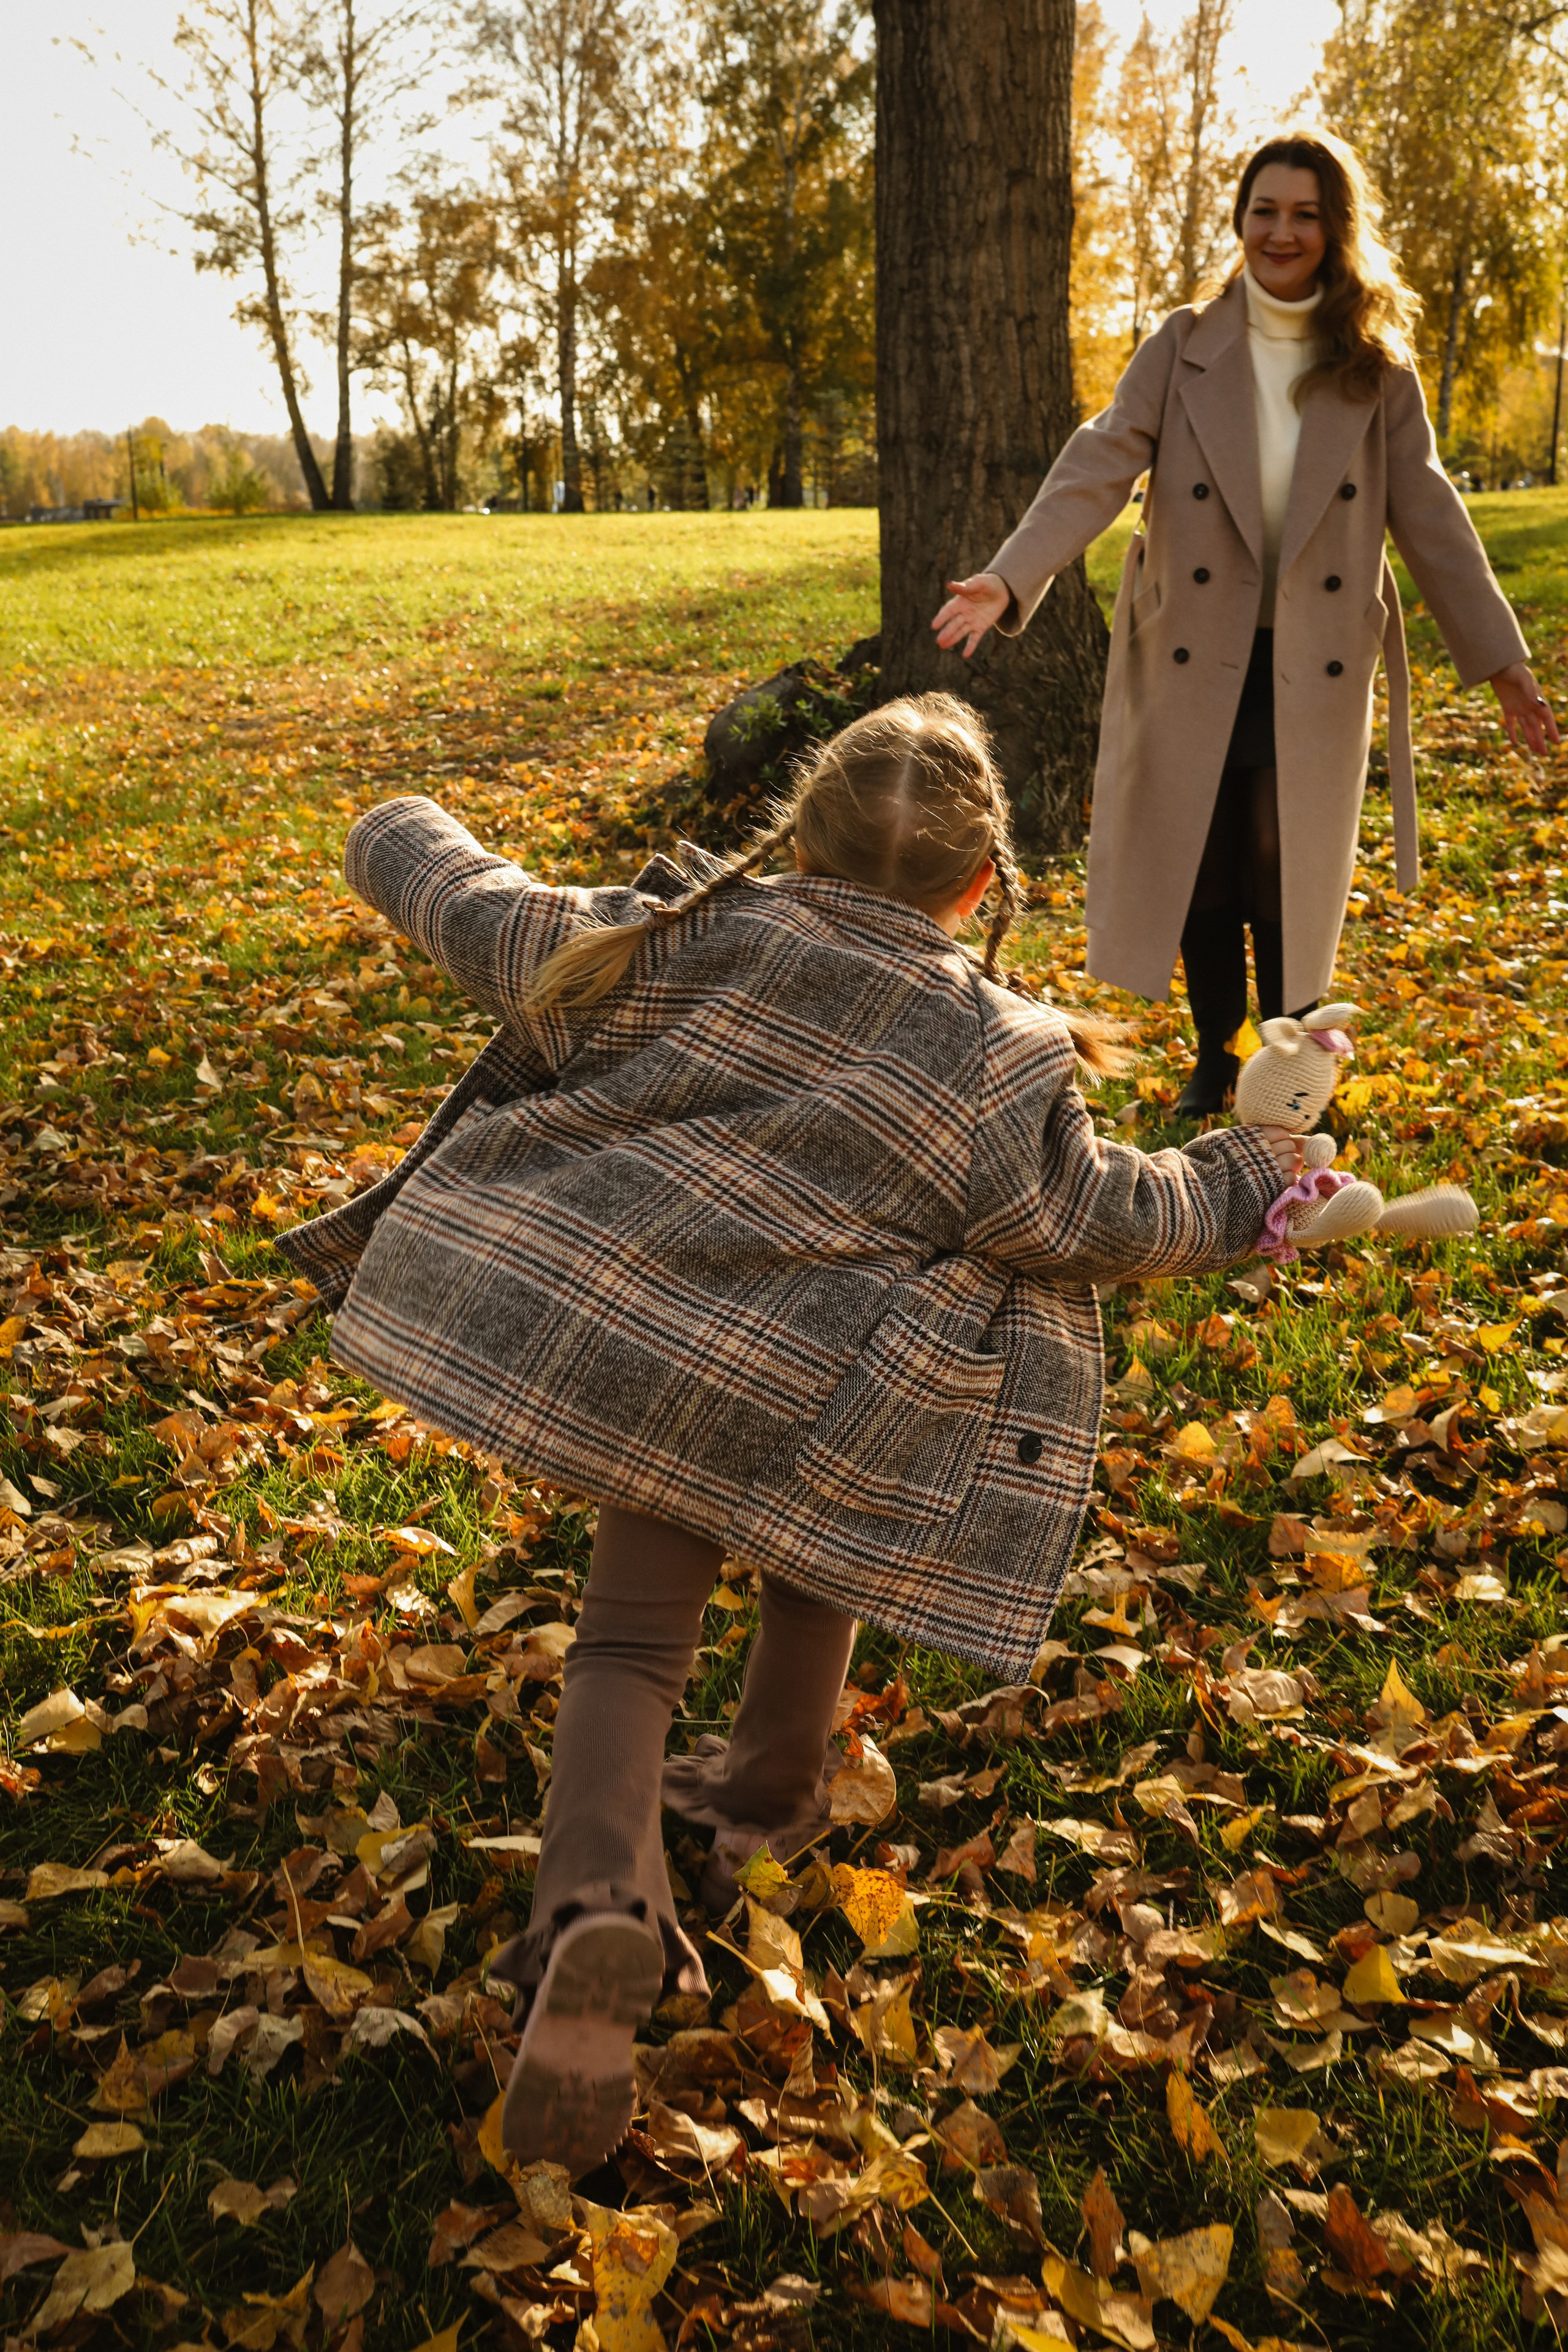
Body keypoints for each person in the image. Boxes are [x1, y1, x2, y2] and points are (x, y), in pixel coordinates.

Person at [279, 694, 1308, 2176]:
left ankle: (595, 1911)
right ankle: (769, 1790)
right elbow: (1091, 1215)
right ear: (979, 889)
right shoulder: (997, 1046)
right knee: (817, 1542)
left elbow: (482, 914)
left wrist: (396, 831)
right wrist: (1249, 1173)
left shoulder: (675, 934)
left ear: (798, 840)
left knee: (630, 1651)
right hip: (840, 1395)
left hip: (638, 1347)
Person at [933, 128, 1558, 1115]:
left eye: (1305, 213)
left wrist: (1502, 660)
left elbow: (1432, 515)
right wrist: (1010, 580)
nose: (1282, 231)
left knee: (1286, 855)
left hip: (1314, 659)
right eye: (1266, 210)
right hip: (1188, 645)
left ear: (1335, 229)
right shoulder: (1184, 344)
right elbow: (1098, 463)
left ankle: (1296, 1071)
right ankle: (1222, 1058)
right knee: (1203, 851)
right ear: (1241, 219)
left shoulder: (1376, 372)